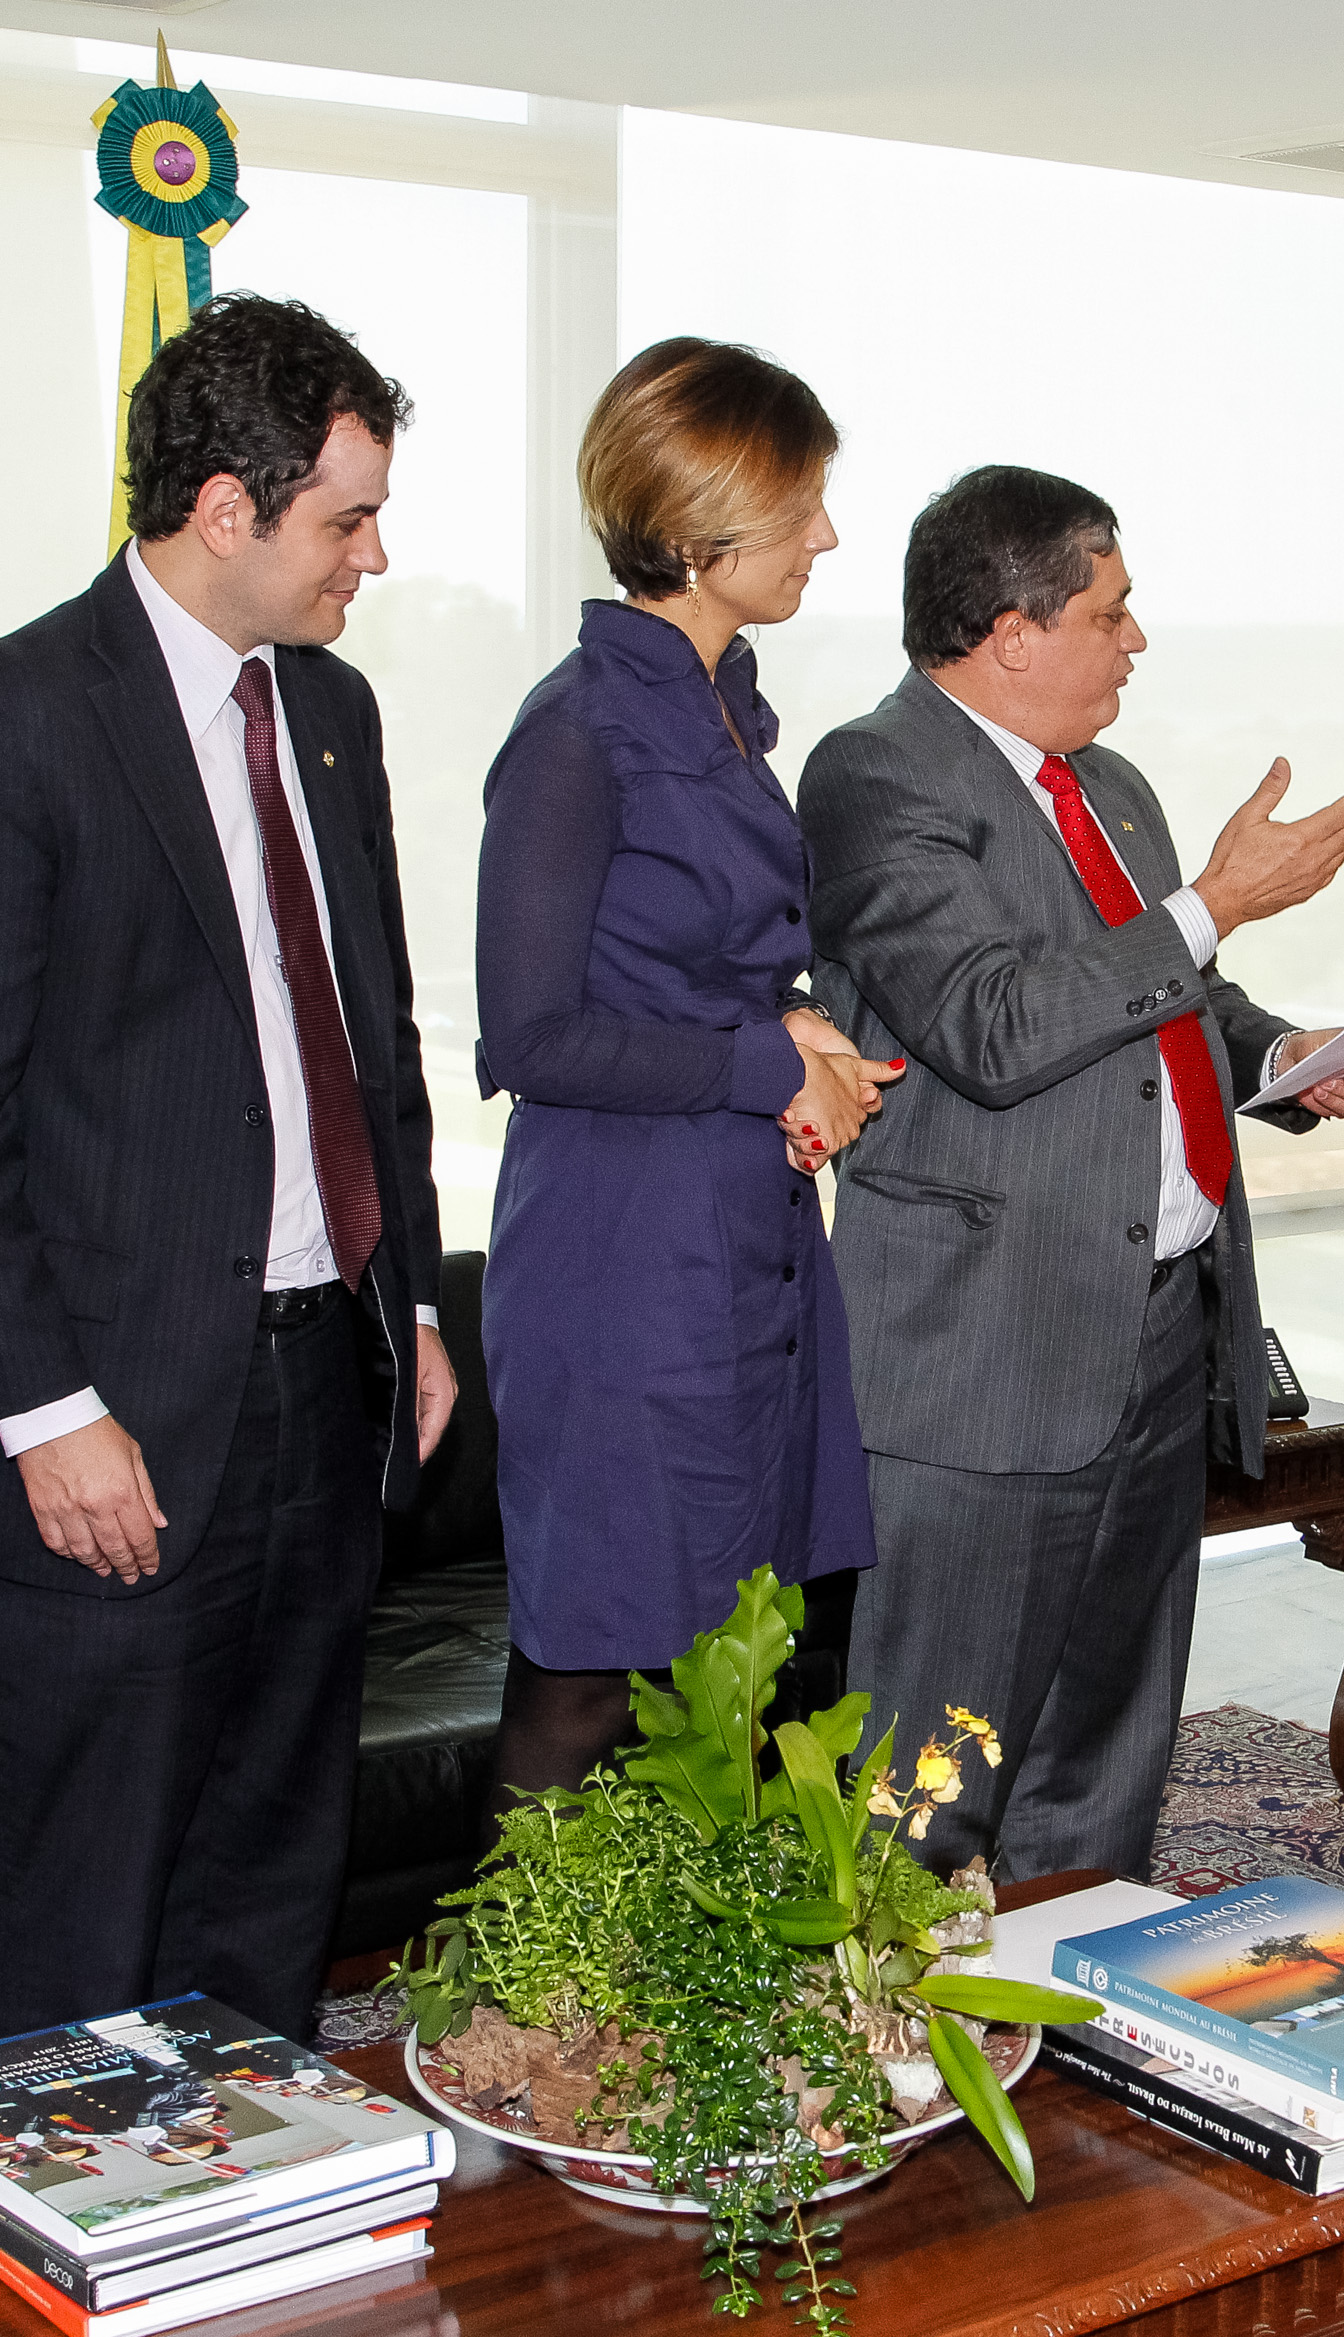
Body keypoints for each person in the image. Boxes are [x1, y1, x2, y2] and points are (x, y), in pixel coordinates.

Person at [0, 293, 454, 2049]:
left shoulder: (328, 713)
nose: (376, 553)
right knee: (91, 1902)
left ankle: (241, 2229)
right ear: (222, 507)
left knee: (275, 1867)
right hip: (110, 1420)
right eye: (346, 517)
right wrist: (47, 1410)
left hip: (318, 1388)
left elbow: (377, 1053)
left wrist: (401, 1307)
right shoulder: (4, 717)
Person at [800, 465, 1344, 1883]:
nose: (1136, 642)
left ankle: (1060, 2038)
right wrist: (1219, 900)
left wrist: (1294, 1056)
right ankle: (893, 2068)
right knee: (925, 1775)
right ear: (1012, 630)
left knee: (1108, 1743)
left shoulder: (1108, 786)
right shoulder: (873, 774)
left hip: (1155, 1329)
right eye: (1111, 613)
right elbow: (995, 1027)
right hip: (982, 1352)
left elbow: (1162, 1001)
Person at [473, 337, 898, 1804]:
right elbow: (527, 1035)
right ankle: (504, 2021)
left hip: (739, 1234)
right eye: (799, 511)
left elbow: (690, 963)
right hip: (619, 1251)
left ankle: (681, 2007)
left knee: (741, 1651)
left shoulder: (721, 706)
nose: (825, 539)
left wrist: (802, 1039)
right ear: (698, 526)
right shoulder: (579, 726)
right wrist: (758, 1057)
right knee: (598, 1664)